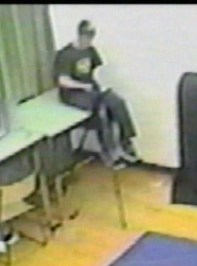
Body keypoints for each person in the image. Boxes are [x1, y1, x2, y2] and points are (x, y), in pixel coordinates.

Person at [53, 20, 140, 168]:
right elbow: (63, 81)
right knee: (101, 112)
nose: (88, 41)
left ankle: (126, 142)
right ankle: (110, 155)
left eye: (91, 38)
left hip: (91, 90)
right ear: (79, 35)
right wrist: (83, 86)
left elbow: (96, 70)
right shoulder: (65, 54)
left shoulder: (90, 51)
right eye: (86, 37)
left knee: (117, 102)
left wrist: (100, 85)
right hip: (73, 94)